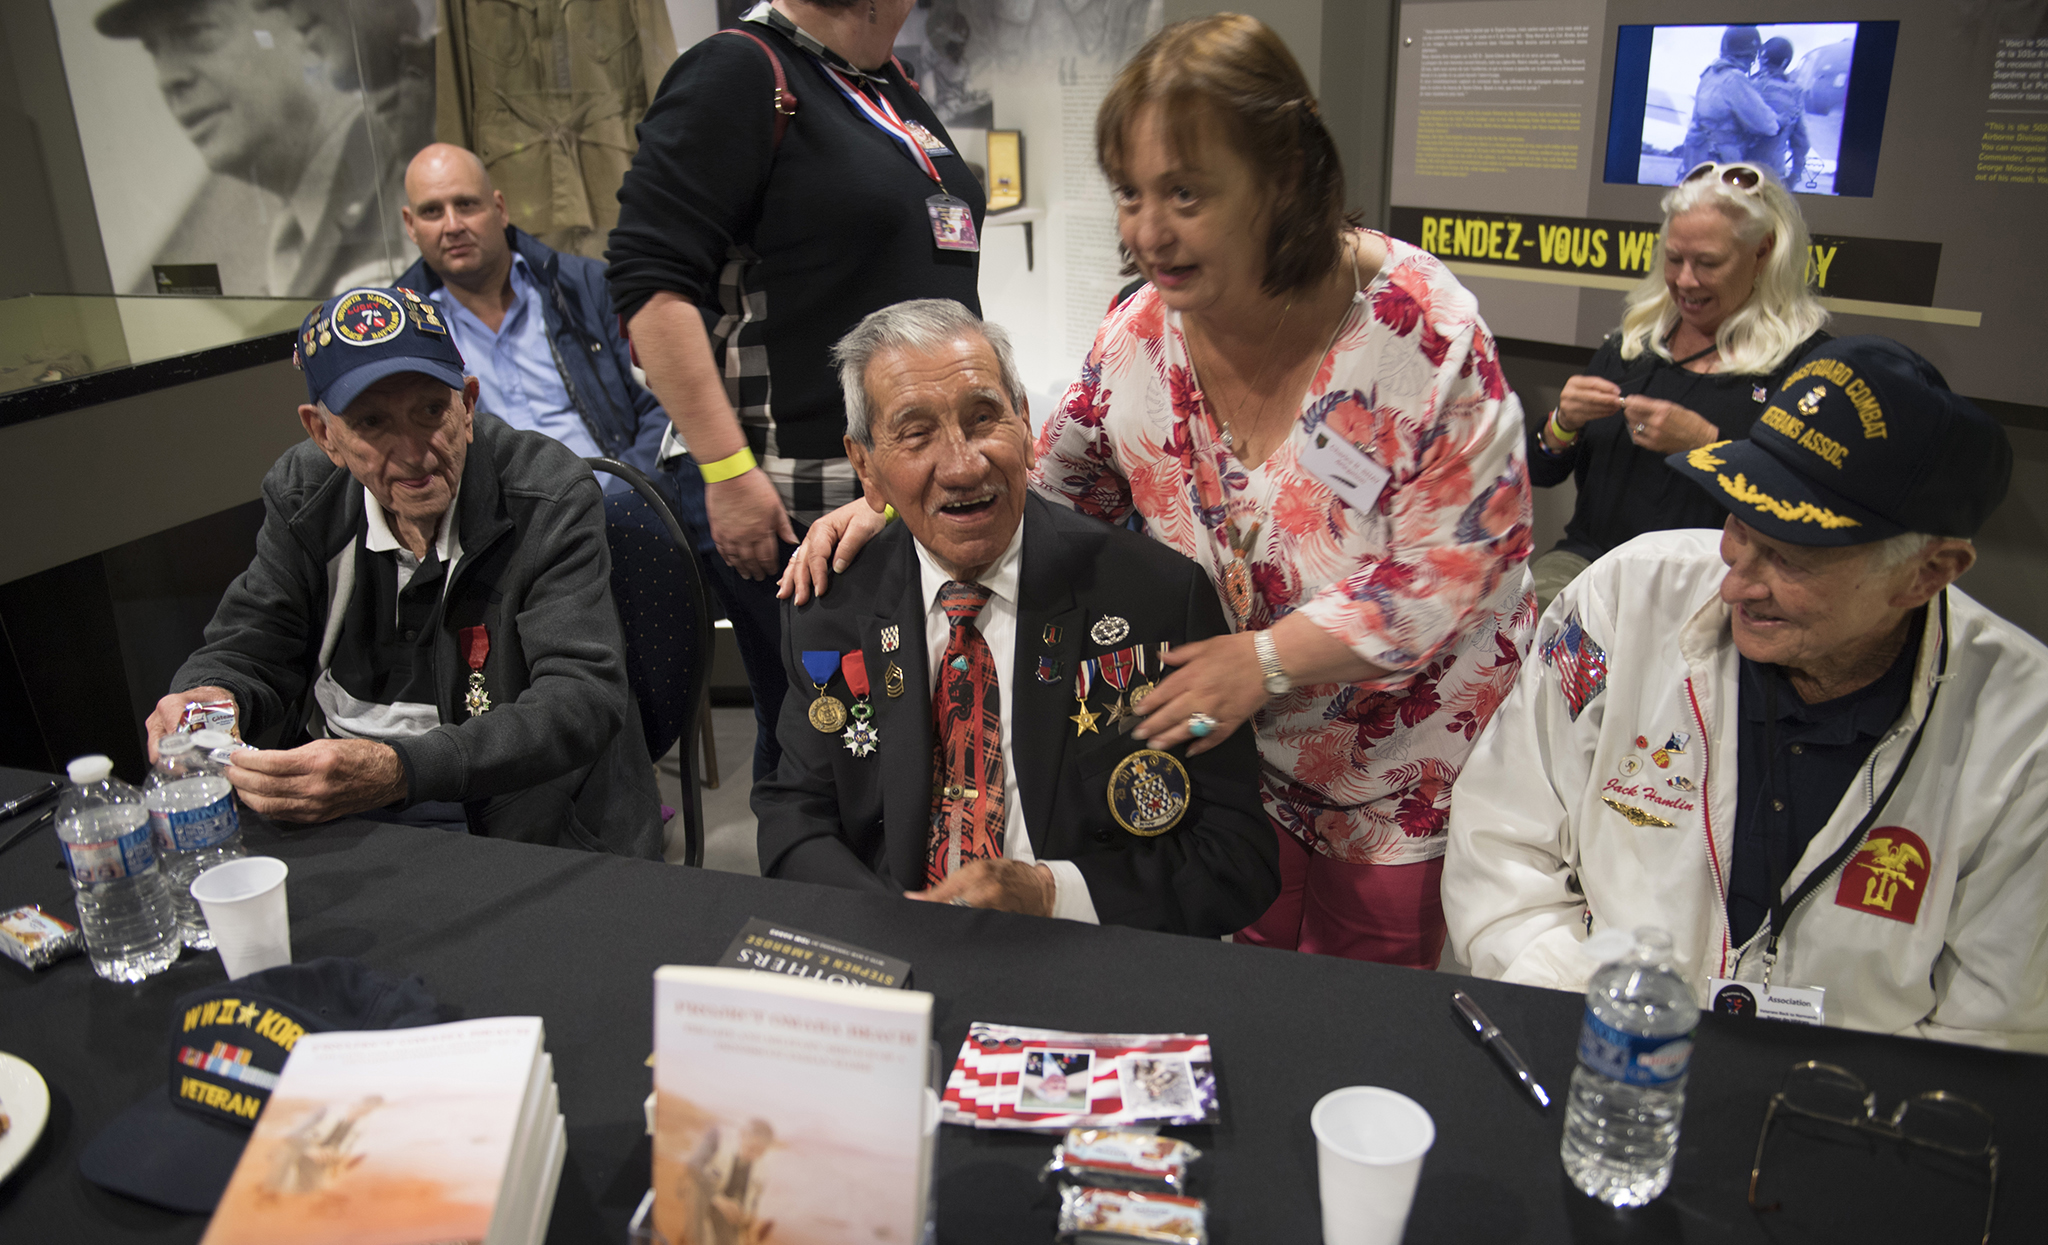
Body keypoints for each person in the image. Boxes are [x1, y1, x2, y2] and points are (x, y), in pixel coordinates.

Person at [785, 16, 1532, 966]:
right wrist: (892, 503)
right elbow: (1039, 475)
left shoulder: (1420, 333)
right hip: (1231, 749)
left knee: (1358, 1009)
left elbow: (1458, 564)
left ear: (1283, 175)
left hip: (1398, 763)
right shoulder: (1142, 332)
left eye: (1185, 193)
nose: (1147, 230)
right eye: (1131, 194)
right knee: (1244, 979)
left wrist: (1263, 660)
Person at [1444, 336, 2048, 1050]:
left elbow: (1995, 1024)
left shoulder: (2023, 728)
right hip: (1597, 1048)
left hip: (1845, 1097)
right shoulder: (1624, 598)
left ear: (1929, 572)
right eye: (1737, 522)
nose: (1734, 582)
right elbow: (1503, 839)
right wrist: (1603, 1035)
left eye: (1791, 556)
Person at [752, 300, 1278, 935]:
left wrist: (1053, 895)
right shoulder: (832, 606)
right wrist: (892, 921)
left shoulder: (1155, 597)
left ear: (1026, 424)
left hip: (1085, 946)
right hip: (890, 944)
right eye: (916, 434)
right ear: (865, 465)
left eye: (983, 418)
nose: (964, 465)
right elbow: (794, 817)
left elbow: (1236, 856)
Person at [607, 0, 984, 783]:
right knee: (827, 751)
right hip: (793, 497)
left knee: (893, 746)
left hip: (896, 489)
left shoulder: (881, 83)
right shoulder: (740, 71)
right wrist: (725, 472)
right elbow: (650, 290)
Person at [147, 287, 664, 856]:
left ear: (467, 406)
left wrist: (399, 769)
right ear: (324, 435)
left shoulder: (548, 494)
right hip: (333, 805)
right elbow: (249, 647)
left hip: (513, 814)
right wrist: (208, 696)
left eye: (431, 412)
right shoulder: (303, 494)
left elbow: (580, 697)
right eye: (372, 423)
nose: (414, 453)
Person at [1527, 160, 1829, 612]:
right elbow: (1540, 472)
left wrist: (1708, 445)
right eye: (1674, 259)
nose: (1685, 280)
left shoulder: (1804, 364)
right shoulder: (1632, 345)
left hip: (1715, 580)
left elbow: (1807, 510)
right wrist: (1562, 423)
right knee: (1522, 628)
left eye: (1708, 263)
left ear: (1762, 252)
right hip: (1591, 564)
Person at [397, 144, 672, 494]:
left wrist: (621, 494)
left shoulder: (585, 288)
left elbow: (663, 401)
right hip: (496, 520)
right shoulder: (406, 330)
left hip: (619, 498)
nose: (452, 226)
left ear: (500, 208)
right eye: (432, 212)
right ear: (411, 225)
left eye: (466, 205)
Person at [95, 0, 410, 296]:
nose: (168, 78)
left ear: (300, 18)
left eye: (196, 33)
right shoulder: (285, 258)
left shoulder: (409, 173)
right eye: (154, 52)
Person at [1677, 26, 1781, 173]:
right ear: (1750, 54)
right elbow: (1767, 125)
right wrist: (1779, 120)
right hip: (1720, 163)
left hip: (1695, 159)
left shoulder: (1709, 75)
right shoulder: (1734, 78)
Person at [687, 1118, 774, 1245]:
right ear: (743, 1135)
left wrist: (749, 1216)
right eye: (751, 1148)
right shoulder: (718, 1138)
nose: (754, 1155)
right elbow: (693, 1168)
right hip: (704, 1198)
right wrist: (718, 1199)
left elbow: (754, 1198)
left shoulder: (762, 1166)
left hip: (729, 1211)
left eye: (760, 1152)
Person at [1747, 37, 1811, 182]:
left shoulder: (1746, 85)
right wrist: (1795, 175)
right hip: (1772, 174)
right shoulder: (1794, 92)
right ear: (1785, 62)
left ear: (1762, 58)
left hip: (1738, 171)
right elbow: (1801, 141)